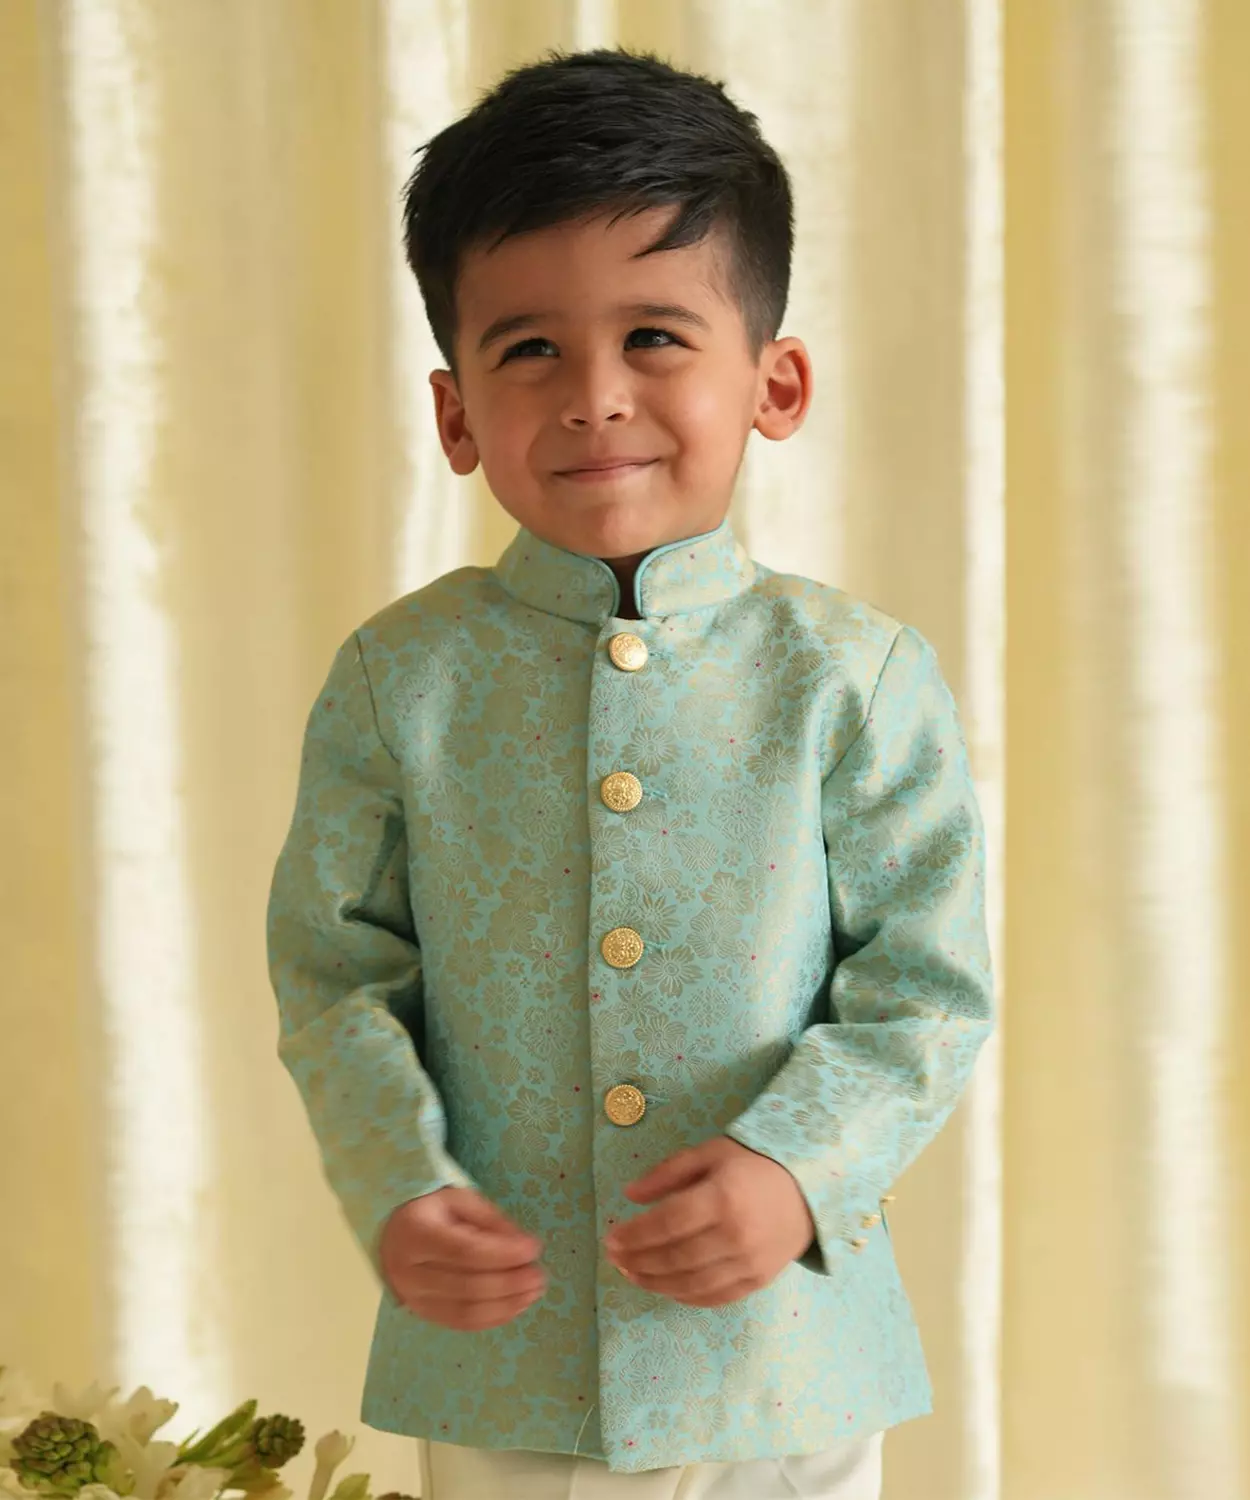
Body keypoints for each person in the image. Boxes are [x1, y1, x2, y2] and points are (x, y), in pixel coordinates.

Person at [266, 45, 994, 1500]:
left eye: (654, 336)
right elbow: (338, 981)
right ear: (455, 414)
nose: (594, 397)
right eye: (529, 349)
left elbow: (925, 985)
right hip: (505, 1356)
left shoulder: (853, 677)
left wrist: (794, 1168)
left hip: (781, 1359)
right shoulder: (398, 680)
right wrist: (400, 1184)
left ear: (774, 381)